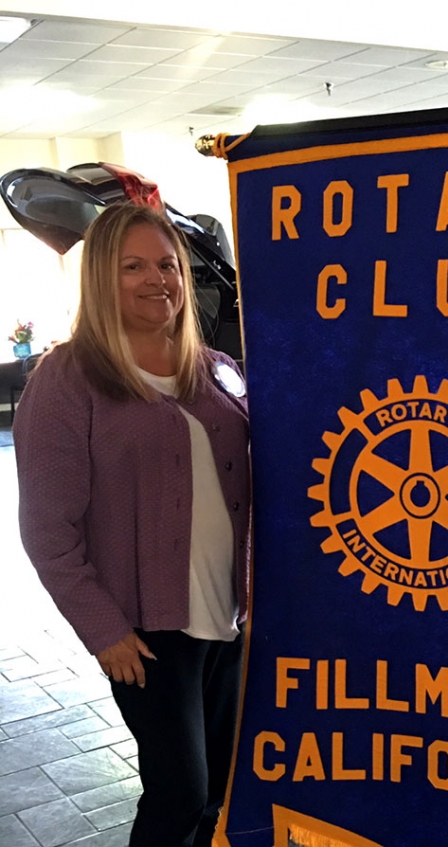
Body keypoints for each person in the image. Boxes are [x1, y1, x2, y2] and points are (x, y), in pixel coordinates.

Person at [14, 202, 251, 846]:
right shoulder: (68, 380)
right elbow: (48, 530)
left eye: (168, 264)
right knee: (180, 792)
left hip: (231, 619)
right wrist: (104, 630)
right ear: (101, 279)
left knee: (222, 793)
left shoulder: (219, 373)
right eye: (134, 266)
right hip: (145, 632)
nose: (158, 279)